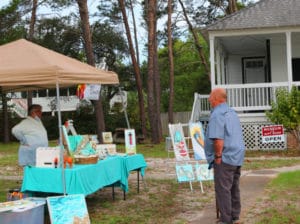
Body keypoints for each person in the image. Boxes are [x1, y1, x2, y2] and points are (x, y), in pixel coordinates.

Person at [204, 88, 245, 224]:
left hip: (225, 157)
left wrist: (217, 156)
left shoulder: (217, 114)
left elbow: (218, 139)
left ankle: (225, 220)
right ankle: (234, 215)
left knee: (223, 189)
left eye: (211, 97)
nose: (209, 99)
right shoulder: (232, 112)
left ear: (217, 98)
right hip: (237, 155)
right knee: (233, 187)